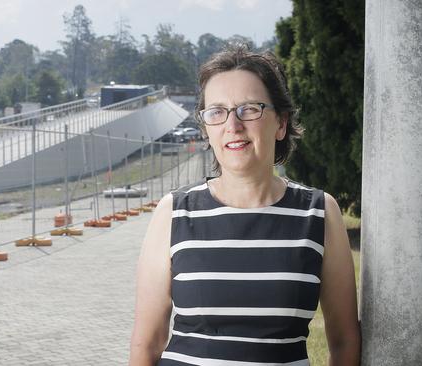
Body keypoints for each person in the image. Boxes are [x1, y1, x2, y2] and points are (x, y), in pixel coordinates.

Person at [129, 46, 360, 365]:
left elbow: (345, 340)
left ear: (281, 123)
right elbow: (147, 344)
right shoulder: (174, 213)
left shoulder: (319, 213)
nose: (232, 125)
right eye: (217, 111)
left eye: (249, 109)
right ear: (207, 128)